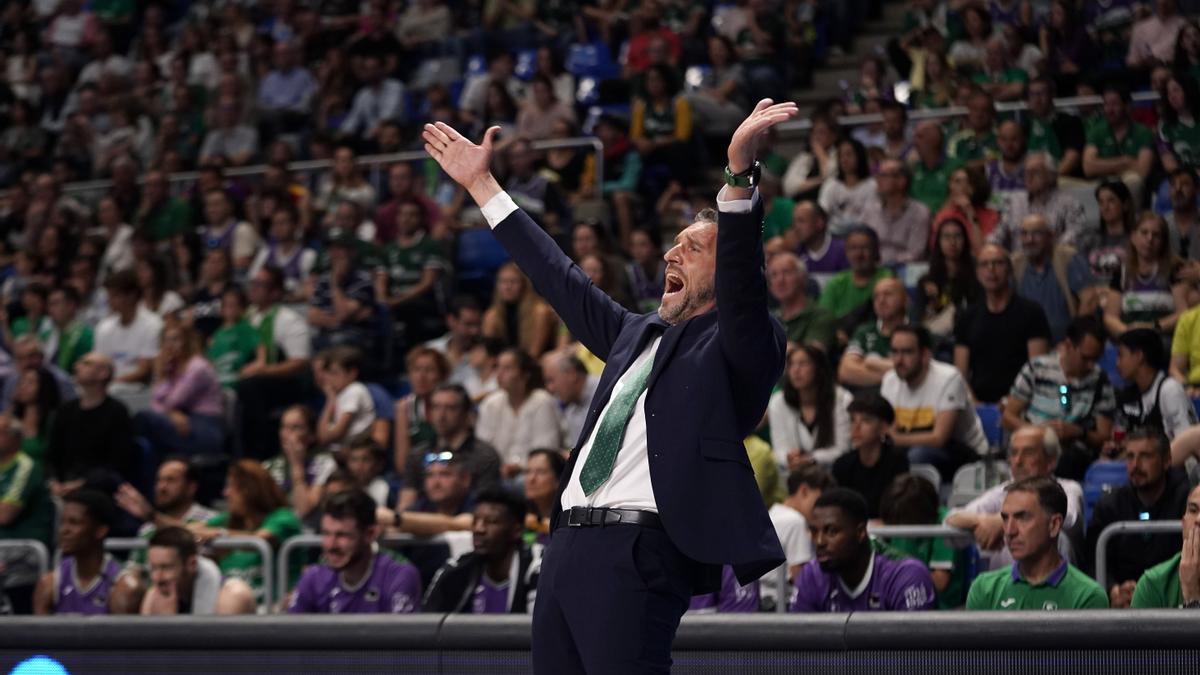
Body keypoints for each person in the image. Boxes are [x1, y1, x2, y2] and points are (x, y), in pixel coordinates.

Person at [420, 101, 791, 672]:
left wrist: (738, 177)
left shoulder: (743, 343)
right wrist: (482, 184)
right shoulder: (632, 334)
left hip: (638, 550)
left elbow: (744, 283)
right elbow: (556, 275)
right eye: (675, 243)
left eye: (692, 249)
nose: (672, 253)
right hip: (567, 544)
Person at [946, 426, 1084, 571]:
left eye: (1028, 452)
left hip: (1058, 587)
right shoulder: (1001, 492)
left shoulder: (1068, 488)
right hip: (1004, 590)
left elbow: (1067, 517)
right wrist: (984, 521)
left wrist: (1001, 523)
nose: (1018, 461)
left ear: (1051, 460)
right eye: (1013, 453)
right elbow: (950, 520)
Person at [965, 476, 1107, 610]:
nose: (1009, 531)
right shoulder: (984, 589)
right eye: (1005, 518)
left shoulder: (1088, 596)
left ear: (1054, 525)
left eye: (1022, 518)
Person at [1003, 317, 1117, 480]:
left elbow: (1104, 435)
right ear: (1068, 345)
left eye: (1095, 359)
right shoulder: (1037, 368)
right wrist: (1038, 434)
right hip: (1034, 445)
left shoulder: (1100, 380)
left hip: (1073, 454)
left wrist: (1079, 432)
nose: (1091, 365)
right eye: (1085, 358)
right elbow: (1008, 416)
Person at [1088, 429, 1190, 608]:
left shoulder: (1188, 503)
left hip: (1174, 600)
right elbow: (1092, 561)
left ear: (1166, 461)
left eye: (1145, 456)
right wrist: (1114, 590)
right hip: (1122, 607)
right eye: (1129, 457)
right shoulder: (1109, 506)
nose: (1135, 465)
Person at [789, 488, 936, 612]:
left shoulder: (904, 575)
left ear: (860, 532)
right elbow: (796, 641)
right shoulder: (812, 575)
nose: (819, 542)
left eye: (832, 531)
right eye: (814, 532)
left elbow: (913, 644)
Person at [289, 489, 422, 614]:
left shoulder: (398, 575)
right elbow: (290, 633)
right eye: (326, 534)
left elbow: (402, 637)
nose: (330, 545)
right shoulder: (314, 577)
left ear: (370, 534)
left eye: (342, 535)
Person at [883, 325, 989, 477]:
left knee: (916, 455)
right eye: (895, 352)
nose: (899, 360)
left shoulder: (949, 378)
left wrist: (894, 439)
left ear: (925, 355)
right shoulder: (890, 380)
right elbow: (888, 430)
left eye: (907, 352)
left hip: (965, 453)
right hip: (914, 445)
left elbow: (939, 438)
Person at [190, 460, 302, 603]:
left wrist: (220, 536)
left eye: (231, 487)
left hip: (274, 610)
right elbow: (191, 530)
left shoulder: (283, 517)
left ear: (250, 490)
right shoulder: (228, 520)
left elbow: (260, 540)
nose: (225, 493)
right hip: (229, 609)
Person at [953, 244, 1052, 404]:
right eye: (984, 264)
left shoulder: (1032, 312)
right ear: (977, 273)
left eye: (998, 263)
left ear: (1009, 270)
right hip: (978, 404)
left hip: (1022, 403)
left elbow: (1038, 370)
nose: (991, 269)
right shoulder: (967, 317)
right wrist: (976, 404)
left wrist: (1012, 404)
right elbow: (960, 375)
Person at [422, 488, 541, 614]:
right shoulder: (456, 569)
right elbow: (427, 625)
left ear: (517, 531)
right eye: (475, 521)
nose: (479, 529)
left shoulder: (538, 568)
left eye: (491, 522)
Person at [238, 265, 314, 459]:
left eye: (260, 285)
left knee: (250, 386)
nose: (253, 288)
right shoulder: (245, 317)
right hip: (246, 376)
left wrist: (263, 370)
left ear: (276, 292)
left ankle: (257, 455)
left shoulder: (289, 320)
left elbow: (300, 363)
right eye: (253, 283)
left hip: (284, 382)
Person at [401, 384, 502, 510]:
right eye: (436, 407)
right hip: (423, 522)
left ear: (466, 414)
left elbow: (487, 509)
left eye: (451, 408)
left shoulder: (485, 456)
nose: (441, 415)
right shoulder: (418, 454)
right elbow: (405, 503)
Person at [134, 323, 227, 458]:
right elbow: (155, 402)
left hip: (205, 429)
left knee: (143, 418)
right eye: (166, 340)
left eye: (176, 339)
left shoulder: (198, 367)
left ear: (187, 341)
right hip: (183, 422)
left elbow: (173, 402)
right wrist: (172, 414)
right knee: (148, 439)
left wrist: (162, 375)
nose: (170, 344)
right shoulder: (173, 367)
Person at [45, 352, 133, 493]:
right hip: (61, 484)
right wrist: (53, 481)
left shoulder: (117, 412)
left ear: (103, 373)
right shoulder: (65, 410)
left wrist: (81, 484)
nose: (76, 366)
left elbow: (117, 463)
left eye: (86, 363)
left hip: (97, 488)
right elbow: (52, 455)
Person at [1011, 213, 1103, 345]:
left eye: (1036, 233)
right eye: (1024, 234)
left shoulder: (1068, 258)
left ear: (1050, 236)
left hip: (1067, 344)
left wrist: (1073, 340)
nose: (1029, 239)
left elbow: (1089, 300)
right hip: (1026, 345)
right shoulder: (1015, 264)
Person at [879, 474, 967, 609]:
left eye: (903, 522)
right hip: (899, 598)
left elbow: (940, 581)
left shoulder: (946, 525)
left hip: (939, 609)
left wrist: (895, 579)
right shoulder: (898, 518)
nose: (899, 527)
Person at [475, 347, 562, 479]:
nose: (499, 373)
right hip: (496, 473)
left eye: (507, 368)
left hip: (530, 473)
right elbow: (482, 447)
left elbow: (546, 448)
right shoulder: (491, 403)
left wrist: (519, 466)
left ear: (525, 374)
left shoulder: (542, 401)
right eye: (498, 367)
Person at [33, 490, 122, 615]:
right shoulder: (49, 584)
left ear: (100, 531)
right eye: (62, 522)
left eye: (74, 522)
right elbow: (39, 634)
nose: (64, 530)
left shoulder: (121, 587)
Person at [1104, 214, 1188, 340]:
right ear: (1133, 237)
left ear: (1163, 242)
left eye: (1156, 235)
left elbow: (1183, 312)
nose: (1149, 239)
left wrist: (1152, 327)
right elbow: (1110, 316)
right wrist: (1126, 332)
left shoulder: (1174, 269)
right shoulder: (1122, 272)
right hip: (1129, 338)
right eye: (1144, 233)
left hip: (1162, 337)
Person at [139, 526, 256, 615]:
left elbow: (215, 646)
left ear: (192, 564)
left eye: (167, 567)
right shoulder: (154, 595)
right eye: (154, 568)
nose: (158, 578)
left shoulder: (233, 597)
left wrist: (168, 624)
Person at [769, 344, 852, 469]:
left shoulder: (842, 399)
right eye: (791, 364)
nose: (796, 370)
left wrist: (811, 459)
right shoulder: (778, 402)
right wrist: (789, 457)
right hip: (792, 473)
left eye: (803, 364)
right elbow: (779, 449)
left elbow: (843, 448)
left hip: (832, 473)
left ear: (819, 368)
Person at [764, 465, 834, 607]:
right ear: (804, 491)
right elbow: (801, 579)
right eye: (820, 499)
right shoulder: (795, 521)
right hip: (777, 606)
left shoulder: (774, 513)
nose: (822, 508)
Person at [834, 392, 909, 519]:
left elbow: (899, 509)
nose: (856, 428)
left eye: (866, 420)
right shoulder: (842, 464)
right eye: (852, 420)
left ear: (884, 428)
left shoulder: (897, 462)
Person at [1115, 328, 1198, 441]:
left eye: (1121, 355)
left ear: (1139, 356)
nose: (1117, 363)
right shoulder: (1127, 394)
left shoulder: (1170, 390)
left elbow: (1188, 445)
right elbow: (1121, 439)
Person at [994, 154, 1088, 252]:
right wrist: (990, 247)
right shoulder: (1015, 202)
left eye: (1035, 172)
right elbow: (999, 234)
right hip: (1018, 262)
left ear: (1051, 175)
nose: (1029, 177)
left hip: (1054, 261)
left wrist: (1043, 255)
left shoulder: (1070, 204)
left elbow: (1074, 237)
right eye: (1026, 172)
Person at [1130, 482, 1200, 608]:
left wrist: (1193, 596)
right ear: (1183, 523)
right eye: (1193, 510)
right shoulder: (1153, 585)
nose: (1198, 519)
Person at [1083, 85, 1155, 204]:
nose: (1109, 109)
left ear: (1127, 106)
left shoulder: (1143, 132)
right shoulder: (1097, 131)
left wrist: (1102, 165)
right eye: (1106, 104)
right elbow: (1088, 167)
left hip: (1128, 181)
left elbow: (1143, 170)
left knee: (1134, 180)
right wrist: (1125, 162)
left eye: (1114, 104)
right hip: (1101, 181)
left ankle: (1132, 220)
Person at [94, 269, 162, 394]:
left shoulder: (153, 324)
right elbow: (99, 363)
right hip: (108, 384)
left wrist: (112, 382)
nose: (109, 301)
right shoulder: (104, 327)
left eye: (114, 296)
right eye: (109, 296)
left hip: (139, 389)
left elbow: (144, 371)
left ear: (132, 296)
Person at [114, 457, 217, 538]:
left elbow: (191, 536)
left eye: (170, 480)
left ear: (191, 487)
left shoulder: (211, 520)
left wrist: (152, 516)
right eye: (159, 480)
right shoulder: (148, 529)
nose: (161, 487)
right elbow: (135, 564)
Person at [838, 277, 908, 389]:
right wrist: (894, 377)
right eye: (876, 296)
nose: (881, 300)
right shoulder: (864, 332)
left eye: (888, 294)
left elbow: (915, 370)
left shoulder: (917, 333)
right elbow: (845, 371)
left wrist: (871, 363)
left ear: (905, 299)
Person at [859, 158, 931, 264]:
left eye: (883, 175)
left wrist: (888, 263)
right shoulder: (870, 210)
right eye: (878, 175)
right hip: (872, 269)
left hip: (905, 270)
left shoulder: (919, 212)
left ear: (901, 181)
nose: (877, 180)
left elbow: (916, 253)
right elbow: (860, 242)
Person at [482, 262, 558, 359]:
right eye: (503, 282)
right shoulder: (492, 315)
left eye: (513, 282)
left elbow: (534, 354)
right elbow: (489, 353)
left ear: (524, 285)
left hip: (533, 364)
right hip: (504, 366)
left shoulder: (540, 312)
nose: (507, 287)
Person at [819, 226, 893, 322]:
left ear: (875, 251)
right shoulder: (837, 283)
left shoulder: (886, 279)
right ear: (846, 252)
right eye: (853, 248)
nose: (859, 254)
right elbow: (823, 318)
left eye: (865, 248)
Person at [766, 253, 836, 350]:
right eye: (774, 275)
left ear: (802, 277)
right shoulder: (769, 319)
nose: (780, 280)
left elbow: (812, 355)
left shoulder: (820, 316)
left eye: (787, 272)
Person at [316, 345, 376, 456]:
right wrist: (330, 399)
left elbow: (336, 433)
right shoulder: (339, 395)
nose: (329, 379)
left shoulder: (354, 390)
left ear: (352, 373)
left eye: (334, 373)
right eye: (328, 373)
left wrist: (330, 399)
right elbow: (321, 435)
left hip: (355, 454)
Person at [1023, 78, 1086, 178]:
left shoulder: (1070, 121)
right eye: (1032, 94)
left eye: (1042, 93)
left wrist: (1053, 178)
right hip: (1031, 181)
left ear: (1052, 95)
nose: (1037, 99)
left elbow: (1073, 157)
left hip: (1063, 180)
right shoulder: (1024, 124)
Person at [765, 201, 848, 275]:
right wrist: (788, 250)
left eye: (801, 221)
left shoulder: (842, 250)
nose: (795, 227)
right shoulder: (795, 251)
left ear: (819, 223)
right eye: (794, 222)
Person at [541, 351, 600, 448]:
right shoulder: (570, 407)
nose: (550, 388)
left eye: (551, 380)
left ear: (572, 374)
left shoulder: (607, 391)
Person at [818, 138, 877, 233]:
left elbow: (874, 217)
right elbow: (822, 213)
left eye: (849, 154)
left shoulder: (872, 185)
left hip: (864, 234)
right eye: (841, 156)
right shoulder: (831, 185)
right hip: (834, 235)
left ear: (860, 156)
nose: (844, 159)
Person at [909, 121, 960, 214]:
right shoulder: (913, 168)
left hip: (945, 222)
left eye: (920, 136)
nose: (914, 142)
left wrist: (938, 220)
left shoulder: (955, 166)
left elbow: (958, 197)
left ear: (935, 140)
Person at [524, 449, 566, 546]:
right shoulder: (517, 516)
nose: (531, 479)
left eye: (541, 472)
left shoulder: (568, 520)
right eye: (527, 472)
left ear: (559, 479)